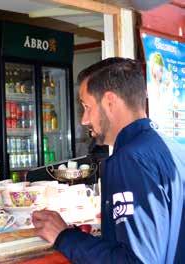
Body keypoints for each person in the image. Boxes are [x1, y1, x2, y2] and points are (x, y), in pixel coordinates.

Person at [32, 57, 185, 263]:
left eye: (87, 107)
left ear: (110, 102)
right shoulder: (175, 148)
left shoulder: (129, 159)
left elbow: (136, 260)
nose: (84, 119)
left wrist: (64, 237)